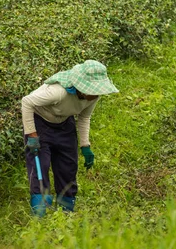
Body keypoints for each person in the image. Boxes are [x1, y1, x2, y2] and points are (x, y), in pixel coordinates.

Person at [21, 60, 118, 216]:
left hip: (65, 123)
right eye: (92, 90)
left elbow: (84, 117)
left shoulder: (93, 96)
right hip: (39, 122)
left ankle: (66, 210)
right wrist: (32, 134)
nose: (95, 94)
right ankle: (40, 210)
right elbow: (27, 102)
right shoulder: (58, 92)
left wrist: (85, 146)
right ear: (82, 86)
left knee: (68, 166)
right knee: (41, 165)